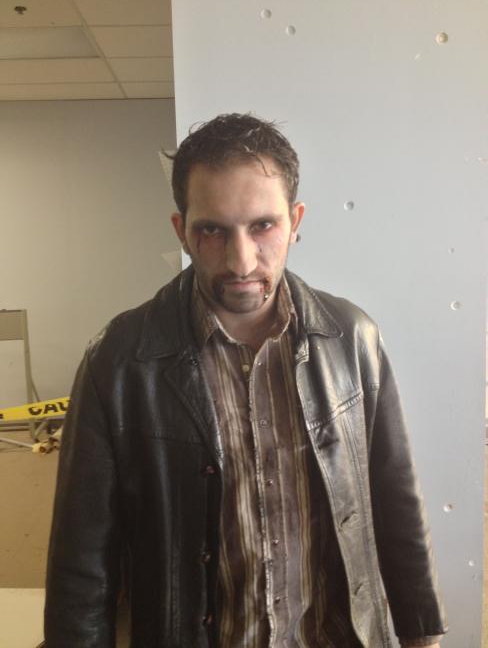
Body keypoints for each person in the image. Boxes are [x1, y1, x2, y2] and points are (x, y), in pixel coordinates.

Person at [44, 113, 447, 647]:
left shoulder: (352, 339)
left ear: (295, 221)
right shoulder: (120, 361)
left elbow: (396, 503)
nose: (241, 261)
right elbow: (81, 564)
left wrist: (422, 635)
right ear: (181, 231)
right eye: (212, 230)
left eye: (263, 226)